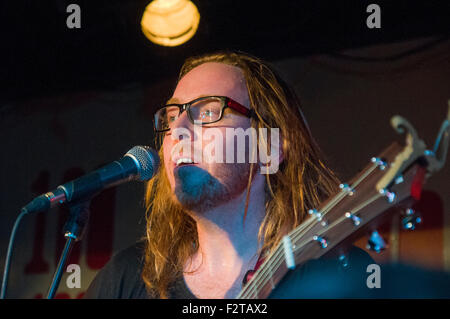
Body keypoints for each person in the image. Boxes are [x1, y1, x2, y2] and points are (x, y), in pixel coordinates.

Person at [84, 51, 374, 299]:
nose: (177, 130)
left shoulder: (339, 274)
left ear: (269, 147)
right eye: (171, 117)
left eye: (209, 112)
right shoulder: (126, 279)